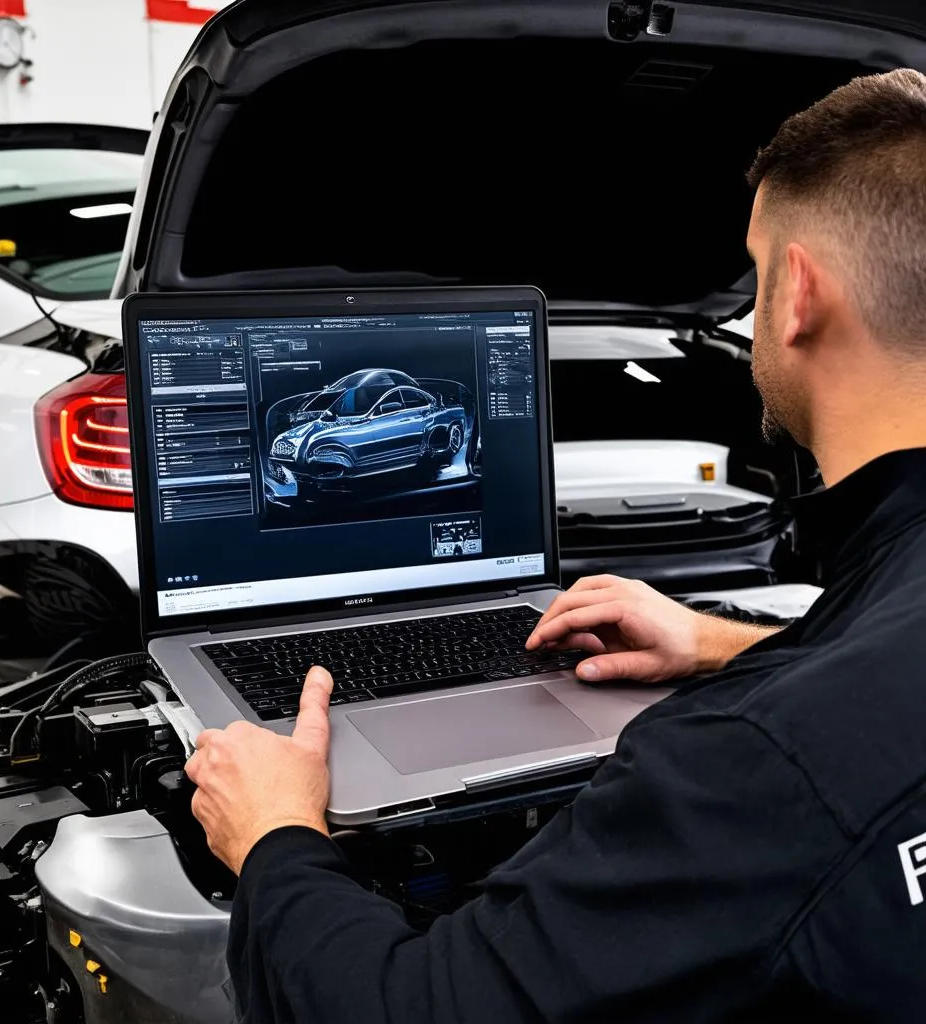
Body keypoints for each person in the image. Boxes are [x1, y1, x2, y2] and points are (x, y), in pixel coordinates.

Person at [186, 69, 926, 1021]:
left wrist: (275, 835)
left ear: (797, 297)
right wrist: (722, 643)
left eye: (755, 268)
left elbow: (408, 1008)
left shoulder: (745, 767)